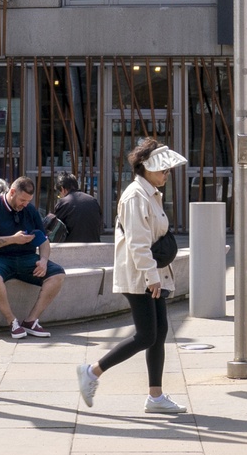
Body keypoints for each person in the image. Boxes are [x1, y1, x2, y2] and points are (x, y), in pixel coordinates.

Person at [75, 138, 187, 416]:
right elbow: (138, 243)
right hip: (141, 276)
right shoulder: (136, 196)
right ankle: (92, 371)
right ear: (146, 169)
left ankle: (156, 396)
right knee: (147, 336)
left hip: (149, 274)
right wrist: (152, 277)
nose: (166, 175)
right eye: (163, 170)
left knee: (158, 334)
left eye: (168, 170)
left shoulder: (148, 193)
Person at [0, 176, 65, 339]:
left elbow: (43, 241)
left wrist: (43, 260)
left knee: (57, 274)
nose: (25, 204)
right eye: (22, 200)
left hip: (25, 258)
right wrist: (13, 239)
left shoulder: (29, 210)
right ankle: (12, 321)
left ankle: (31, 321)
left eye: (28, 201)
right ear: (12, 192)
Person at [51, 174, 105, 244]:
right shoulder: (93, 200)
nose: (60, 196)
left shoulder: (63, 203)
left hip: (71, 247)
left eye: (59, 194)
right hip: (95, 245)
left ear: (63, 189)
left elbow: (55, 229)